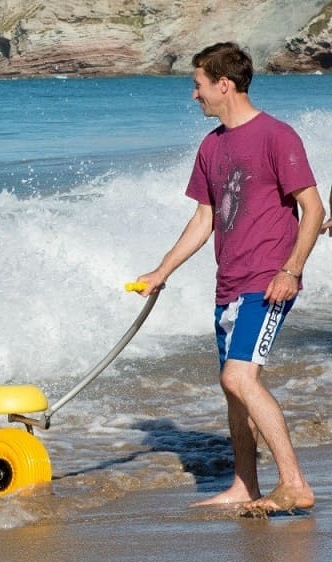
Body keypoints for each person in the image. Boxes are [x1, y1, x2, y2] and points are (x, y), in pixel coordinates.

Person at [135, 42, 323, 513]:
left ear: (224, 84)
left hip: (269, 281)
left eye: (198, 86)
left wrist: (291, 270)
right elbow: (205, 219)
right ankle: (245, 485)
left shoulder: (277, 136)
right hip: (229, 285)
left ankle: (295, 484)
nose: (193, 96)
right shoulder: (212, 146)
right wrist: (161, 270)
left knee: (239, 377)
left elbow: (314, 208)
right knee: (231, 386)